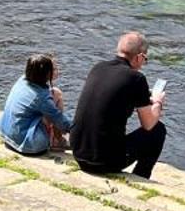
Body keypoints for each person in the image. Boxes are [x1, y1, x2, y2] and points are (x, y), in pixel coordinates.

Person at [69, 31, 167, 179]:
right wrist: (158, 101)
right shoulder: (136, 78)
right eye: (145, 59)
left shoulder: (98, 68)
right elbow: (148, 124)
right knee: (158, 130)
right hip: (104, 161)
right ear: (139, 56)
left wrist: (143, 98)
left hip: (78, 152)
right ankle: (141, 175)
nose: (143, 64)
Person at [0, 52, 73, 157]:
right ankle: (57, 141)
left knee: (55, 92)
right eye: (54, 69)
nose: (57, 71)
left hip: (6, 134)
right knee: (56, 99)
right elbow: (60, 120)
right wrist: (81, 129)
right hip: (28, 145)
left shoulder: (22, 80)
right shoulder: (41, 97)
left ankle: (56, 138)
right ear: (46, 74)